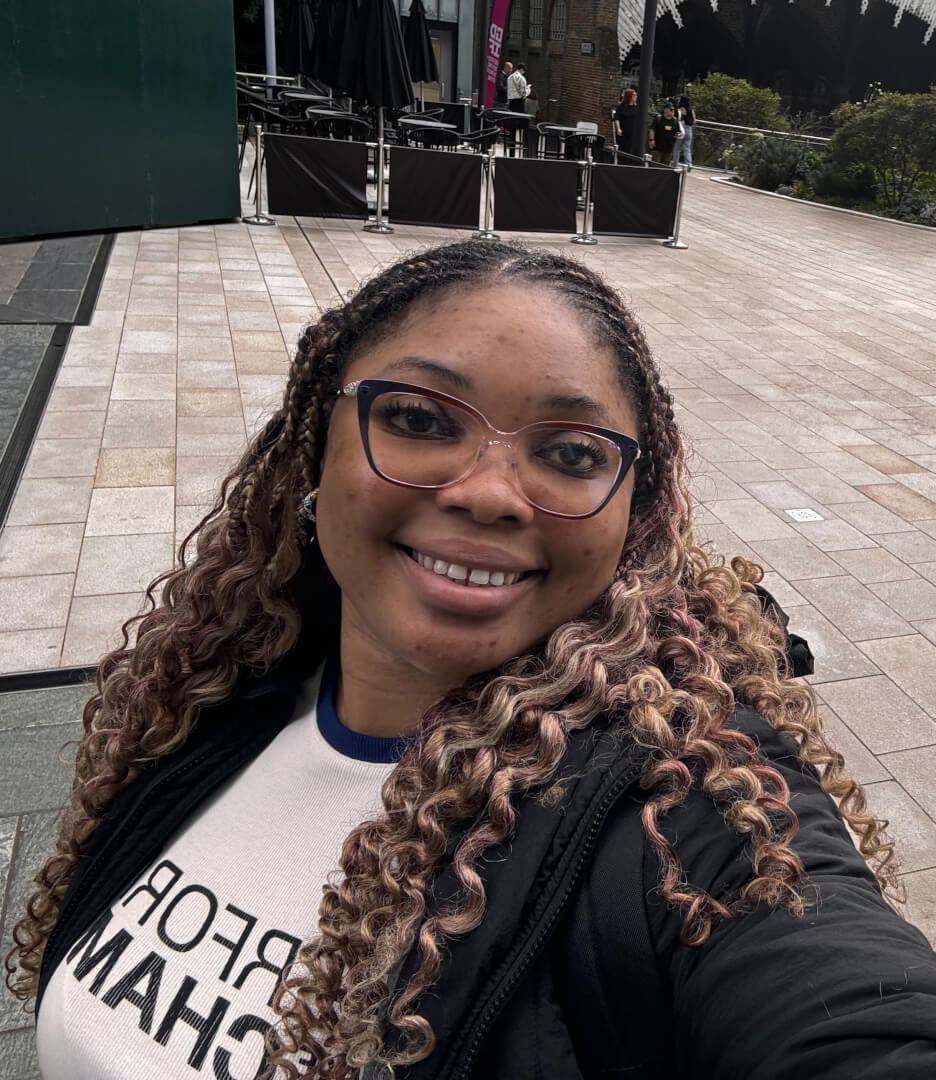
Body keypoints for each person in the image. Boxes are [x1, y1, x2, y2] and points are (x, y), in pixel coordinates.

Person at [8, 241, 936, 1080]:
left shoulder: (688, 817)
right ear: (312, 446)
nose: (492, 493)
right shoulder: (212, 691)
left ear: (632, 515)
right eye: (418, 418)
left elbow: (842, 1000)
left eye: (571, 451)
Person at [614, 87, 638, 158]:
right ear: (629, 97)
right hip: (623, 132)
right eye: (634, 95)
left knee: (630, 151)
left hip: (633, 133)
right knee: (622, 150)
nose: (636, 97)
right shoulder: (621, 107)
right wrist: (618, 128)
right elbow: (616, 118)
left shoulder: (636, 107)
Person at [673, 93, 695, 169]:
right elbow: (694, 121)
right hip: (689, 129)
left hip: (682, 129)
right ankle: (689, 164)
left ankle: (675, 163)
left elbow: (679, 119)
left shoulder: (680, 109)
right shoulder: (691, 109)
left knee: (677, 147)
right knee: (687, 148)